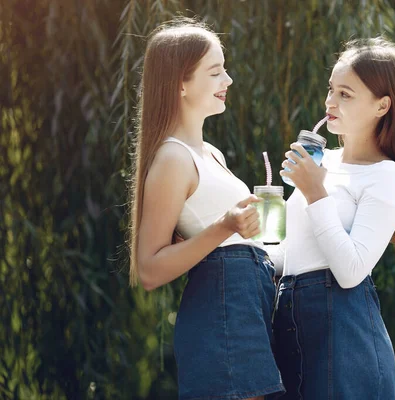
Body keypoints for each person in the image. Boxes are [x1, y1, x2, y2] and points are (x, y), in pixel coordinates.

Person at [127, 18, 283, 400]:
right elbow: (148, 269)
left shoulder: (210, 153)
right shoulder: (172, 158)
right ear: (181, 83)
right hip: (224, 310)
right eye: (215, 72)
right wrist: (225, 226)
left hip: (247, 302)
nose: (228, 80)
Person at [272, 37, 395, 399]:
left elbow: (351, 271)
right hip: (291, 330)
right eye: (331, 90)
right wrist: (238, 239)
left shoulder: (387, 176)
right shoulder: (322, 160)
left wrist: (316, 193)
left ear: (382, 106)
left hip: (344, 343)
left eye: (345, 94)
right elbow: (293, 251)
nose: (330, 102)